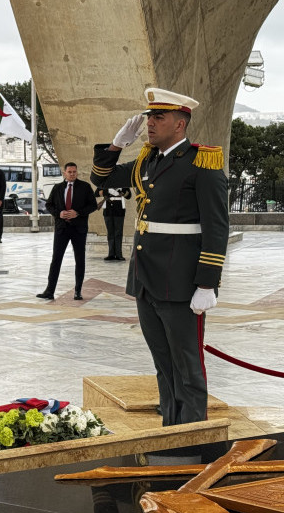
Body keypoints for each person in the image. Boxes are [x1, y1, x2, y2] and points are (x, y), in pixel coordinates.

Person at [90, 88, 229, 425]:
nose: (149, 124)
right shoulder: (147, 160)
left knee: (187, 364)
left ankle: (193, 432)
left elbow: (216, 226)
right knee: (162, 362)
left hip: (181, 281)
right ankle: (170, 428)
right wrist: (115, 145)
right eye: (149, 117)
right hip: (147, 278)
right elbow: (99, 178)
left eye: (158, 117)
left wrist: (207, 284)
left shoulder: (202, 162)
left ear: (179, 124)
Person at [37, 163, 97, 300]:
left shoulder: (85, 187)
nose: (72, 174)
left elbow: (93, 205)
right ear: (64, 173)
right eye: (69, 172)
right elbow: (48, 205)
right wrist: (59, 213)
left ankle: (78, 291)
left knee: (80, 260)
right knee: (56, 259)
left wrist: (78, 213)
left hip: (79, 229)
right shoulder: (58, 188)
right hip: (61, 229)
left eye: (74, 172)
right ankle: (49, 291)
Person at [95, 186, 132, 261]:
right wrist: (106, 192)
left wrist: (122, 193)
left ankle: (119, 254)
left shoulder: (123, 183)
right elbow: (96, 193)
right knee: (110, 232)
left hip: (119, 209)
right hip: (108, 209)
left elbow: (129, 196)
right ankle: (111, 254)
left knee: (118, 232)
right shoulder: (105, 183)